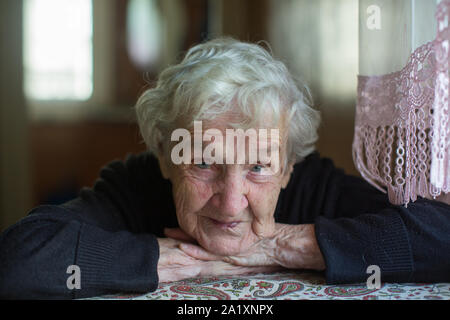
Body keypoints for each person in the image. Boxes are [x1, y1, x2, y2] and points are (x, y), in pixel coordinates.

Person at [0, 38, 449, 299]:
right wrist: (156, 258)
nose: (232, 201)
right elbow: (16, 262)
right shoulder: (137, 183)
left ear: (289, 167)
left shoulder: (312, 182)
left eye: (258, 167)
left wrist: (290, 247)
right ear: (165, 156)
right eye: (203, 162)